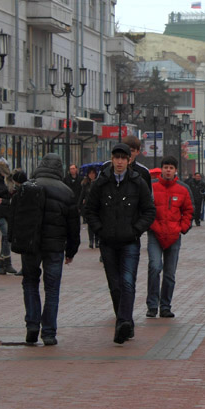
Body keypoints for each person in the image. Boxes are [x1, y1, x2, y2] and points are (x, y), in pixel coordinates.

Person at [83, 142, 155, 344]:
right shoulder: (101, 182)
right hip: (108, 242)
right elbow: (90, 210)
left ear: (129, 160)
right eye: (117, 158)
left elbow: (149, 210)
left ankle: (123, 322)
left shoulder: (137, 182)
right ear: (112, 159)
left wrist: (136, 229)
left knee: (127, 281)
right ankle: (125, 322)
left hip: (129, 241)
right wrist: (100, 229)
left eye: (124, 158)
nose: (120, 162)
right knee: (115, 285)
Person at [13, 154, 80, 346]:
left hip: (30, 245)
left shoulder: (27, 187)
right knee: (52, 289)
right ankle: (49, 332)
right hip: (55, 246)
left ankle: (32, 325)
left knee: (30, 283)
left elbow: (16, 216)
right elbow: (73, 226)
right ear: (60, 169)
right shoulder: (66, 192)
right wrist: (71, 251)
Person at [146, 156, 193, 319]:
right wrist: (150, 224)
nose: (168, 170)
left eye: (171, 168)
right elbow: (145, 207)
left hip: (174, 235)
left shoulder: (183, 189)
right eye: (165, 167)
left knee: (169, 273)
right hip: (155, 233)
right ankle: (152, 305)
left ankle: (165, 306)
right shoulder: (152, 187)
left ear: (175, 170)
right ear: (162, 169)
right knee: (155, 266)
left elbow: (188, 210)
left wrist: (182, 227)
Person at [80, 168, 99, 248]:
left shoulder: (98, 183)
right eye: (90, 173)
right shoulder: (86, 184)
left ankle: (97, 241)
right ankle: (91, 240)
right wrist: (79, 205)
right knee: (90, 225)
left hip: (97, 206)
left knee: (97, 224)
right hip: (88, 206)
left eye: (93, 173)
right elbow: (82, 194)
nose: (92, 175)